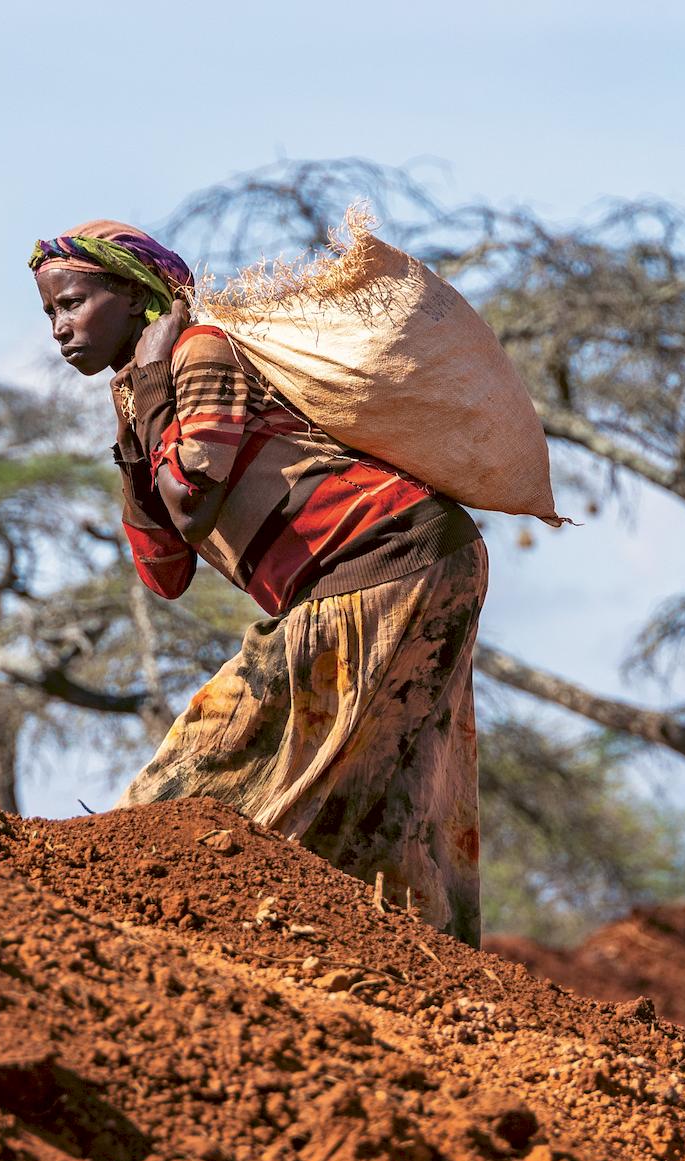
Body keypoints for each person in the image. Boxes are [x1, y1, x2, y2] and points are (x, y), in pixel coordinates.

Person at [31, 220, 488, 944]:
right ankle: (413, 957)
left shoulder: (200, 353)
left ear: (135, 295)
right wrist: (133, 427)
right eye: (50, 312)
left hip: (381, 553)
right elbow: (165, 572)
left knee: (207, 758)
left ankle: (120, 903)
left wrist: (151, 385)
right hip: (412, 561)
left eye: (73, 302)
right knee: (374, 794)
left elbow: (192, 501)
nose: (58, 328)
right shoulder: (147, 395)